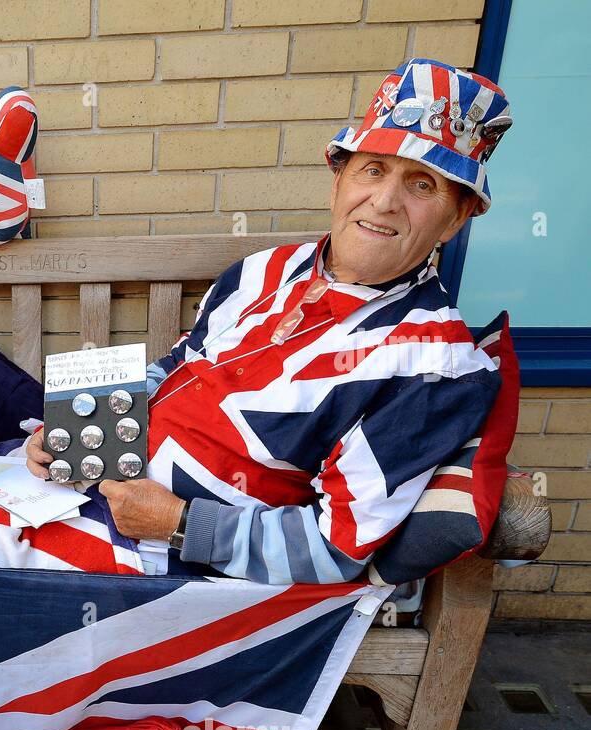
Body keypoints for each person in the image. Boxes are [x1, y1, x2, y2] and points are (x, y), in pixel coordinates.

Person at [26, 58, 513, 585]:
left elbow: (336, 551)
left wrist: (180, 523)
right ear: (338, 180)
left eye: (422, 186)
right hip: (96, 492)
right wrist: (81, 433)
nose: (385, 201)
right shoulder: (263, 271)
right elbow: (179, 364)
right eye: (373, 169)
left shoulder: (436, 366)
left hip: (178, 569)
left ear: (456, 218)